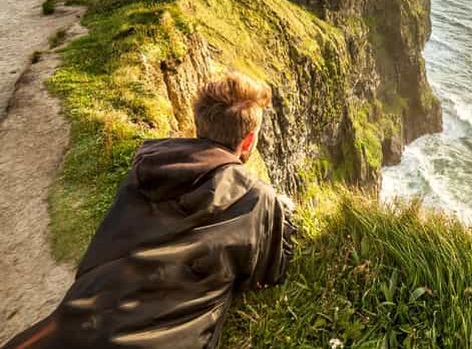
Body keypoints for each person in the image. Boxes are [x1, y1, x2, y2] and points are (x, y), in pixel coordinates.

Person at [4, 73, 294, 349]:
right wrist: (281, 211)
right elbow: (268, 272)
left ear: (198, 126)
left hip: (73, 324)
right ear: (247, 141)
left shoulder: (146, 168)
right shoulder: (256, 198)